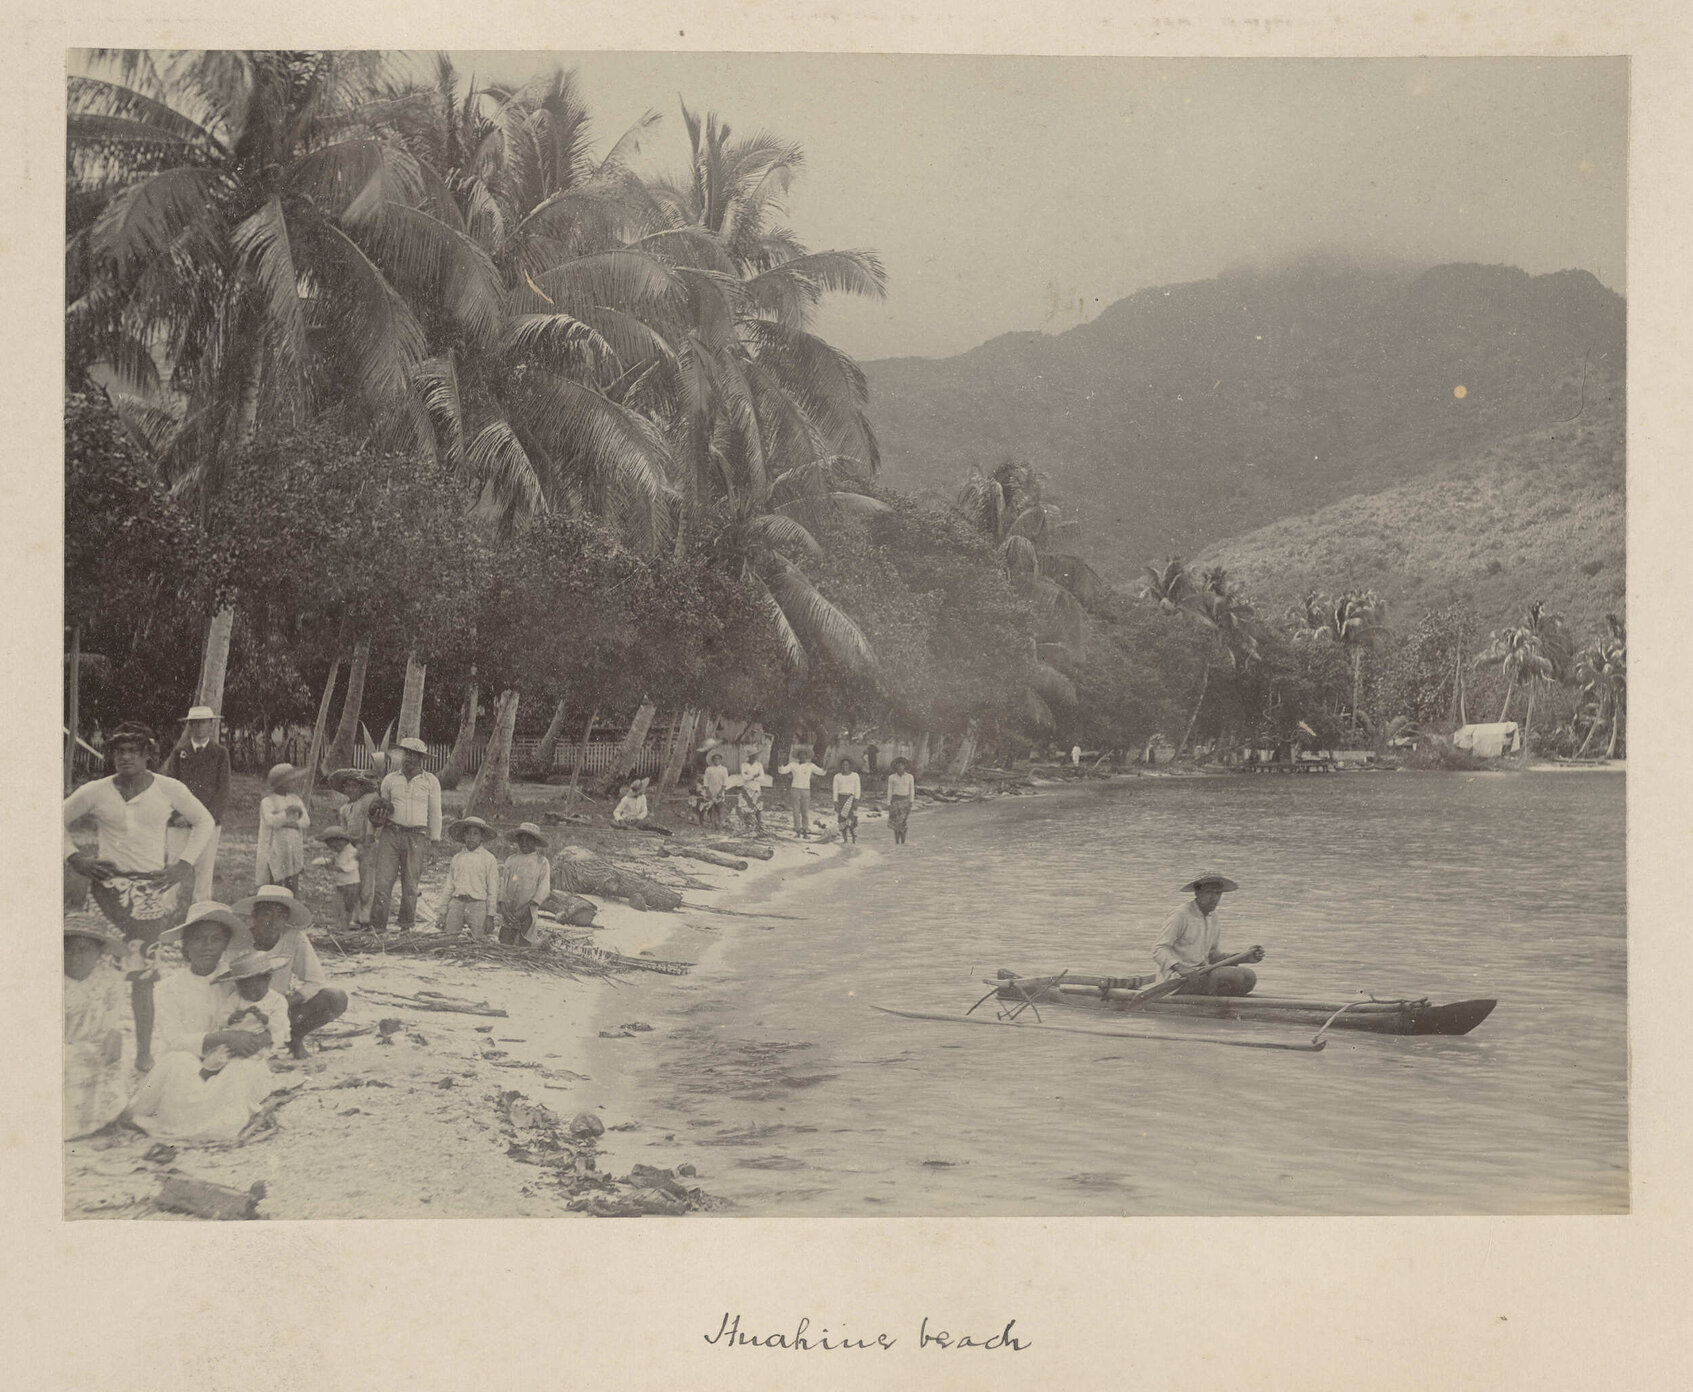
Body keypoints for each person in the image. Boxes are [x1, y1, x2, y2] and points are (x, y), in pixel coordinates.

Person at [63, 721, 214, 1073]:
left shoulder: (168, 788)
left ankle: (143, 1053)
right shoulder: (96, 791)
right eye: (119, 751)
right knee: (95, 972)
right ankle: (90, 1047)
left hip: (149, 895)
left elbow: (204, 821)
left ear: (149, 755)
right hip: (105, 890)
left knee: (143, 976)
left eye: (134, 751)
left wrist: (183, 865)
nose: (125, 757)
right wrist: (75, 858)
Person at [123, 902, 277, 1141]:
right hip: (191, 1057)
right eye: (198, 940)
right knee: (178, 1063)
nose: (207, 947)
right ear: (185, 947)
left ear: (225, 945)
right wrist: (222, 1037)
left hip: (232, 1057)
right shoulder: (166, 989)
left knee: (241, 1069)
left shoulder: (237, 982)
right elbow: (174, 1039)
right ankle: (189, 1121)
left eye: (216, 940)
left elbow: (264, 1018)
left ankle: (220, 1121)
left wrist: (249, 1039)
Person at [228, 885, 350, 1058]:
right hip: (244, 1012)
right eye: (267, 914)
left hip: (282, 1009)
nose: (273, 922)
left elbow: (315, 980)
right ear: (254, 916)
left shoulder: (294, 938)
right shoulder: (239, 943)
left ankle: (295, 1037)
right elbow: (227, 986)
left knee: (335, 998)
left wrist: (286, 1001)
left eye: (281, 916)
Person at [63, 914, 129, 1138]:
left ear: (99, 953)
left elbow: (112, 1020)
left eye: (83, 950)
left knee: (110, 1056)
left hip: (95, 1047)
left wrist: (113, 1034)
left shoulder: (109, 980)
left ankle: (102, 1118)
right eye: (68, 949)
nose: (74, 957)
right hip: (59, 1048)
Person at [1151, 871, 1264, 997]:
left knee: (1249, 978)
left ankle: (1214, 1006)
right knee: (1240, 976)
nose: (1214, 898)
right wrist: (1180, 968)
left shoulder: (1213, 917)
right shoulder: (1180, 915)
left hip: (1202, 974)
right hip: (1177, 979)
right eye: (1209, 892)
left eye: (1218, 893)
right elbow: (1158, 949)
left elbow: (1213, 956)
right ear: (1197, 893)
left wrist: (1243, 957)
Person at [161, 705, 230, 902]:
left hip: (207, 820)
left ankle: (201, 907)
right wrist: (176, 815)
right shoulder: (180, 752)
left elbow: (223, 790)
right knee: (174, 861)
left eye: (203, 722)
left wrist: (207, 818)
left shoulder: (220, 753)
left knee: (205, 866)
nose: (199, 727)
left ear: (211, 725)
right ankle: (167, 906)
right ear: (189, 726)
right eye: (195, 723)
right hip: (180, 821)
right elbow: (171, 786)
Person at [372, 738, 442, 933]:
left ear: (421, 758)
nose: (408, 758)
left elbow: (435, 813)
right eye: (405, 753)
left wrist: (435, 842)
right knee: (382, 883)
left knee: (411, 885)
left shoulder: (430, 781)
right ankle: (378, 928)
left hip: (417, 836)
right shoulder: (390, 779)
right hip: (391, 833)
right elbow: (381, 808)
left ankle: (406, 928)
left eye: (413, 754)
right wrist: (378, 817)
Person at [199, 951, 291, 1079]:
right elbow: (221, 1017)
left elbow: (279, 1026)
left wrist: (264, 1019)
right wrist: (231, 1018)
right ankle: (209, 1075)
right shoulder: (236, 997)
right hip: (234, 1039)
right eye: (243, 988)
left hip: (260, 1042)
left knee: (248, 1065)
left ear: (267, 979)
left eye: (254, 989)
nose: (249, 994)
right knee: (215, 1060)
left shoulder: (277, 1000)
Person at [331, 763, 385, 926]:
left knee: (367, 882)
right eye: (347, 786)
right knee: (352, 882)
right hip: (350, 847)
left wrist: (368, 840)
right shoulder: (344, 809)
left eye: (354, 786)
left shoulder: (366, 801)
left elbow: (372, 816)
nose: (351, 789)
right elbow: (343, 830)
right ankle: (354, 917)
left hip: (365, 845)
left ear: (361, 788)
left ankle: (366, 918)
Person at [441, 816, 500, 941]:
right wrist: (442, 912)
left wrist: (490, 916)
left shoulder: (489, 859)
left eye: (475, 833)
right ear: (463, 836)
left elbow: (493, 890)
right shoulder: (457, 858)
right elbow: (449, 886)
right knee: (447, 940)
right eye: (468, 833)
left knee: (479, 941)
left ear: (481, 837)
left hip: (477, 904)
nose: (471, 837)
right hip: (457, 903)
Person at [255, 763, 310, 892]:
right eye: (291, 781)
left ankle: (293, 902)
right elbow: (271, 821)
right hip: (276, 845)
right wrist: (287, 813)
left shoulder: (296, 799)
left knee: (292, 876)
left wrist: (291, 824)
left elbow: (306, 821)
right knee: (276, 876)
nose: (294, 784)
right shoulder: (268, 802)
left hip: (293, 845)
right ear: (282, 783)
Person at [499, 822, 553, 945]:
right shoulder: (511, 860)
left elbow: (543, 889)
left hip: (528, 910)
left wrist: (527, 907)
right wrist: (503, 908)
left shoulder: (541, 862)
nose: (524, 843)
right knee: (506, 942)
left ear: (535, 842)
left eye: (529, 839)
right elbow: (503, 885)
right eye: (521, 839)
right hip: (510, 910)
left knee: (524, 942)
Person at [779, 748, 827, 840]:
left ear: (807, 757)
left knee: (805, 811)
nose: (802, 756)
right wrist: (780, 760)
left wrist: (826, 763)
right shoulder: (793, 765)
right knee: (796, 811)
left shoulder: (810, 766)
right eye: (800, 755)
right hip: (795, 790)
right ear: (798, 756)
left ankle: (805, 831)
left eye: (804, 755)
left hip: (806, 790)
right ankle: (797, 831)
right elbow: (782, 770)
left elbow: (822, 772)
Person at [318, 827, 360, 929]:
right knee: (339, 906)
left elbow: (352, 866)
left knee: (348, 908)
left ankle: (346, 927)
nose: (335, 849)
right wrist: (331, 863)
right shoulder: (340, 853)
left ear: (343, 840)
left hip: (351, 884)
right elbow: (338, 863)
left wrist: (336, 868)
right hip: (340, 884)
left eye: (336, 846)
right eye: (332, 847)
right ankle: (342, 926)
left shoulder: (353, 851)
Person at [885, 756, 916, 846]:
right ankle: (897, 842)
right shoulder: (892, 777)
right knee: (895, 823)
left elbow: (912, 790)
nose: (900, 767)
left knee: (903, 822)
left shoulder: (910, 777)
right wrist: (888, 802)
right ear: (895, 766)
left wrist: (911, 802)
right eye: (898, 765)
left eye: (902, 765)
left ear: (905, 766)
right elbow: (889, 790)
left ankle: (903, 841)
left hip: (905, 801)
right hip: (895, 801)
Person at [833, 758, 862, 843]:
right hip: (841, 799)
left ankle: (853, 839)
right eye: (843, 765)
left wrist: (856, 800)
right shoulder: (837, 776)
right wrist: (835, 802)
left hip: (851, 799)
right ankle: (845, 839)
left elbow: (858, 789)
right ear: (841, 766)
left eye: (846, 764)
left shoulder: (855, 775)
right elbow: (835, 790)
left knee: (852, 819)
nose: (845, 766)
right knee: (842, 820)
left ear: (849, 765)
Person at [702, 753, 729, 827]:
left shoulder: (724, 769)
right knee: (712, 806)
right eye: (715, 758)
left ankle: (720, 822)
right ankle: (713, 823)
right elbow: (706, 781)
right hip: (711, 790)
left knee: (720, 806)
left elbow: (725, 781)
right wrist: (708, 791)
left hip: (720, 790)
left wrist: (721, 791)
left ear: (720, 760)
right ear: (712, 760)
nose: (716, 760)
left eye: (718, 759)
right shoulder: (709, 769)